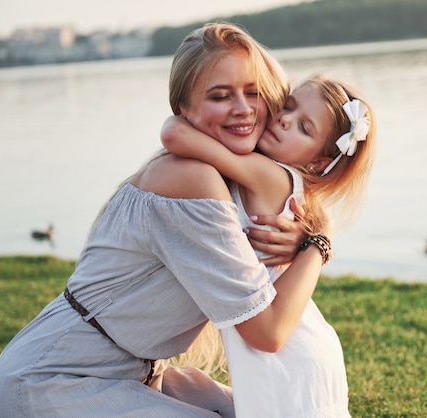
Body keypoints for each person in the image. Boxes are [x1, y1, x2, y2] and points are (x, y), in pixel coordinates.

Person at [0, 22, 333, 417]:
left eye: (253, 92)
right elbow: (267, 332)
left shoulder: (227, 171)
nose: (243, 108)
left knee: (270, 410)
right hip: (52, 378)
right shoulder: (190, 177)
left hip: (139, 372)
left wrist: (306, 236)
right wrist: (318, 248)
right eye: (220, 96)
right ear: (184, 109)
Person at [160, 72, 377, 417]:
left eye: (304, 128)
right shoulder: (284, 182)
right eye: (288, 106)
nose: (284, 119)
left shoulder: (271, 176)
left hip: (287, 349)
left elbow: (174, 133)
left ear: (317, 163)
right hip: (288, 345)